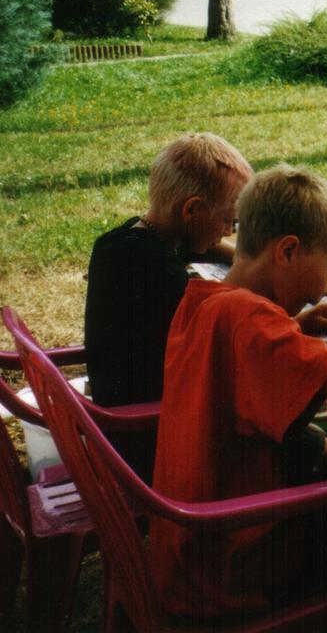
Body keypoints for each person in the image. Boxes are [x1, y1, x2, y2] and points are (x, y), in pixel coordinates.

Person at [148, 164, 327, 620]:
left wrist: (295, 326)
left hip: (193, 539)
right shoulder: (253, 323)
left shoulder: (204, 300)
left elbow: (235, 370)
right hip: (237, 554)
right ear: (286, 250)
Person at [83, 132, 252, 476]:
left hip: (121, 430)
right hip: (152, 444)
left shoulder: (123, 242)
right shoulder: (161, 274)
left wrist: (237, 254)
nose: (228, 231)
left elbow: (193, 247)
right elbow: (222, 331)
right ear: (191, 210)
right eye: (226, 221)